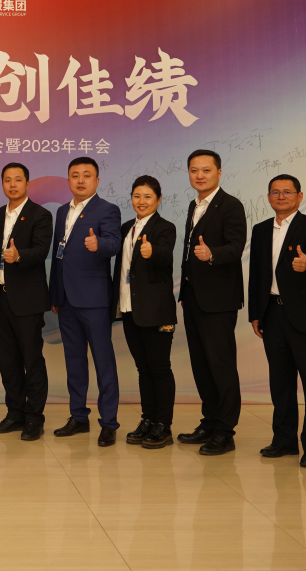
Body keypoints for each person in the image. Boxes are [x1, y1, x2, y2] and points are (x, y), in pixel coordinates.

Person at [247, 175, 306, 468]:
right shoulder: (260, 230)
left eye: (287, 192)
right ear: (269, 197)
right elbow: (256, 273)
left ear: (299, 196)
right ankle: (284, 440)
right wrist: (255, 313)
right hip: (272, 313)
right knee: (280, 382)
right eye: (275, 192)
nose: (281, 196)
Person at [177, 149, 248, 456]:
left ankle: (225, 431)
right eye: (194, 170)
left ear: (219, 172)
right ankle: (209, 422)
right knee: (202, 365)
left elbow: (236, 246)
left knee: (221, 365)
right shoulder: (194, 205)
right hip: (194, 298)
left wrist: (212, 255)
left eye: (206, 170)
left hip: (218, 300)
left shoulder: (230, 205)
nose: (200, 175)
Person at [49, 157, 122, 447]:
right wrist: (55, 294)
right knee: (74, 361)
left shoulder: (107, 209)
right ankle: (78, 416)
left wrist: (99, 244)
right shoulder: (61, 211)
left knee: (104, 362)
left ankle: (109, 423)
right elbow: (58, 255)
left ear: (97, 180)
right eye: (75, 175)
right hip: (66, 300)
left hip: (94, 300)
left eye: (87, 175)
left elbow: (114, 243)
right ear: (68, 179)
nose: (80, 180)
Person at [0, 163, 53, 441]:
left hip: (27, 301)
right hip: (0, 299)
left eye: (18, 180)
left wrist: (19, 255)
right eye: (7, 180)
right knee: (8, 361)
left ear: (27, 183)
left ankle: (34, 418)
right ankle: (15, 413)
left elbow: (42, 250)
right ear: (2, 183)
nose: (12, 185)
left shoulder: (40, 214)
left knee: (31, 360)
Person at [112, 175, 178, 450]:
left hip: (156, 311)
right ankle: (148, 419)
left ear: (158, 200)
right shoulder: (126, 227)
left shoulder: (165, 227)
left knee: (159, 369)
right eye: (137, 196)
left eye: (148, 196)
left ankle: (163, 424)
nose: (141, 201)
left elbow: (166, 254)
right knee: (143, 368)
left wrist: (153, 252)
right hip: (130, 308)